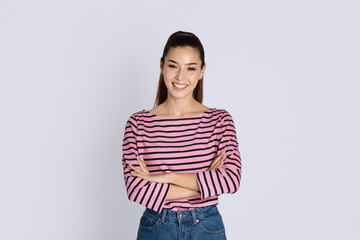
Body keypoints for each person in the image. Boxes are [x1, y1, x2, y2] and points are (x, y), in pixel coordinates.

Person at [122, 31, 242, 240]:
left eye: (190, 68)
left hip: (206, 226)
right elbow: (136, 189)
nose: (180, 76)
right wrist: (205, 183)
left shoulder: (219, 121)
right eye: (173, 66)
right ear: (162, 66)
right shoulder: (138, 124)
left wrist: (165, 178)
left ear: (202, 71)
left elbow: (231, 180)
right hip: (156, 227)